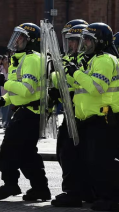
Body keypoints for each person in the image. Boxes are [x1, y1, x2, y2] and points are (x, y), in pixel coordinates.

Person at [65, 23, 119, 211]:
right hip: (87, 119)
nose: (84, 43)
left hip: (102, 118)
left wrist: (76, 73)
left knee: (101, 162)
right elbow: (78, 83)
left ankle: (111, 198)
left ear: (100, 42)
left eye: (88, 39)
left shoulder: (104, 60)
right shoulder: (91, 59)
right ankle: (91, 194)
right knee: (87, 160)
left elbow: (97, 88)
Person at [0, 23, 50, 201]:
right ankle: (40, 189)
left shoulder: (32, 59)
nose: (16, 41)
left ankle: (11, 184)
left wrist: (4, 83)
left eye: (21, 37)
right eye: (15, 36)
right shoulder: (21, 58)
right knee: (27, 154)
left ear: (31, 41)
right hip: (26, 111)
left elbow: (27, 90)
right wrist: (4, 100)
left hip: (30, 113)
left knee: (7, 152)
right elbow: (20, 92)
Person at [50, 22, 92, 208]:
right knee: (65, 151)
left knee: (70, 152)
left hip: (82, 112)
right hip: (71, 108)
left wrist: (61, 77)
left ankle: (74, 192)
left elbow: (75, 82)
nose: (72, 45)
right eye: (69, 41)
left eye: (75, 40)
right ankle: (82, 190)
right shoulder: (69, 59)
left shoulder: (85, 60)